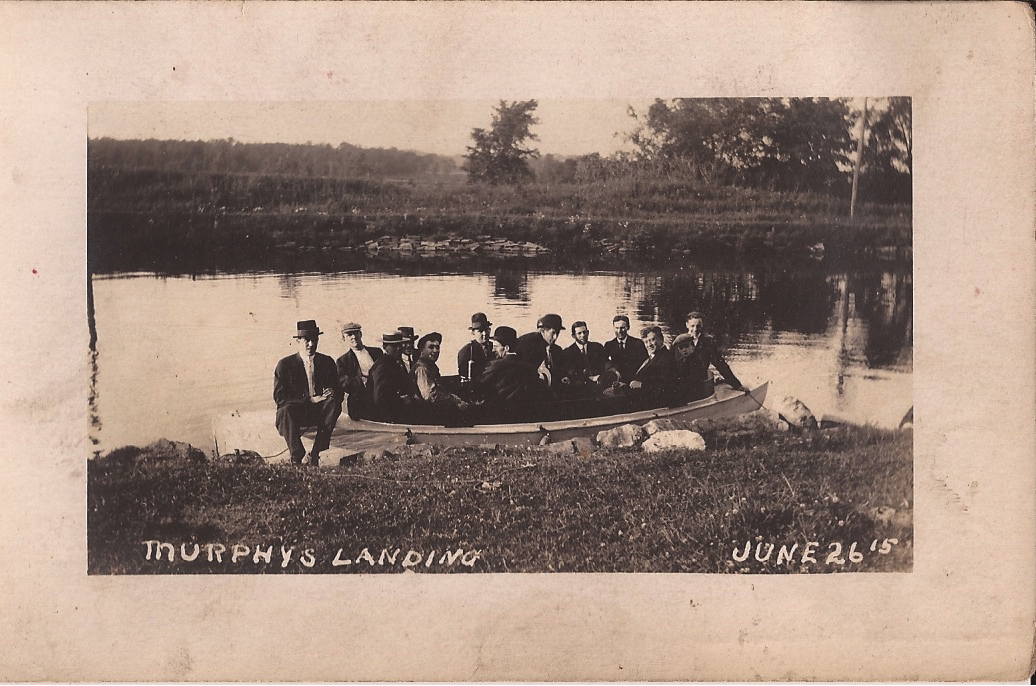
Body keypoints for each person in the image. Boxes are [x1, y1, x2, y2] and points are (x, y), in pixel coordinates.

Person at [273, 320, 342, 466]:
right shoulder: (285, 365)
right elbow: (280, 398)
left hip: (317, 412)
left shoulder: (327, 362)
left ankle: (317, 452)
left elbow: (339, 391)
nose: (311, 344)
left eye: (314, 340)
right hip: (297, 412)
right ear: (298, 341)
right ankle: (297, 456)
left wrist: (331, 393)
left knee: (333, 403)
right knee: (285, 410)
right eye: (306, 340)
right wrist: (310, 400)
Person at [474, 326, 548, 417]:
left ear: (506, 348)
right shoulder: (527, 367)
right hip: (524, 413)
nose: (493, 350)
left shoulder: (495, 366)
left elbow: (478, 385)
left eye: (496, 346)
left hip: (499, 415)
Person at [674, 311, 747, 400]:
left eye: (699, 326)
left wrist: (737, 385)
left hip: (700, 384)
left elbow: (721, 365)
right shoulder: (679, 342)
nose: (696, 329)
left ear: (702, 326)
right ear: (687, 325)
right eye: (692, 326)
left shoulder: (708, 343)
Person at [413, 332, 470, 421]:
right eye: (431, 347)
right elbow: (430, 396)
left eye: (437, 347)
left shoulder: (430, 367)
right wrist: (456, 402)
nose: (435, 351)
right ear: (422, 350)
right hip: (426, 415)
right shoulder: (421, 368)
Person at [366, 331, 419, 422]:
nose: (398, 348)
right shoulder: (382, 366)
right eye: (394, 346)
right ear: (384, 347)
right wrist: (401, 400)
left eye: (400, 345)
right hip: (385, 415)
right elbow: (379, 398)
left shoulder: (392, 362)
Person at [336, 321, 383, 419]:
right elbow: (344, 384)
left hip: (381, 397)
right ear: (343, 338)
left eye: (355, 333)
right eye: (349, 335)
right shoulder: (343, 361)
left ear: (360, 334)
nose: (353, 337)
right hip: (360, 402)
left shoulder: (377, 352)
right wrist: (362, 380)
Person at [625, 325, 679, 403]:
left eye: (652, 340)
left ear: (661, 339)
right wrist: (625, 385)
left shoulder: (666, 359)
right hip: (642, 397)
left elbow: (666, 386)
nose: (649, 344)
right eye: (646, 342)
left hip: (652, 403)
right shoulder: (654, 357)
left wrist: (641, 385)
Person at [562, 320, 619, 394]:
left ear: (588, 332)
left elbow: (606, 362)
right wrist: (590, 378)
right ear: (573, 336)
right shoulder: (568, 352)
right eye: (579, 333)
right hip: (580, 386)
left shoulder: (597, 347)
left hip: (600, 383)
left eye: (584, 332)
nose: (583, 335)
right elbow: (571, 372)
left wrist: (615, 371)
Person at [515, 313, 567, 387]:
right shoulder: (529, 345)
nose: (555, 337)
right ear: (542, 331)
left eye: (557, 333)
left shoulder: (556, 349)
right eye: (553, 333)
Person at [603, 314, 648, 383]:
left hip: (634, 379)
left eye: (622, 328)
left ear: (628, 327)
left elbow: (645, 363)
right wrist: (614, 370)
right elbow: (605, 361)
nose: (619, 331)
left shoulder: (637, 343)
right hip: (616, 379)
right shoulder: (609, 345)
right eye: (616, 328)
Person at [458, 312, 493, 382]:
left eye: (486, 330)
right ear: (473, 332)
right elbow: (463, 376)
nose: (484, 334)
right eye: (480, 331)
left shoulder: (494, 347)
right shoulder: (466, 352)